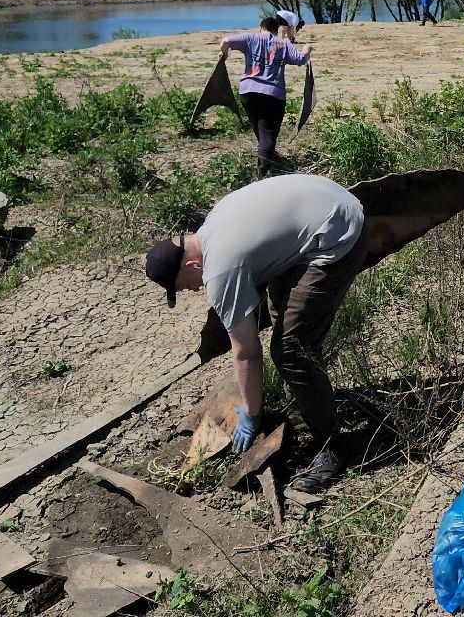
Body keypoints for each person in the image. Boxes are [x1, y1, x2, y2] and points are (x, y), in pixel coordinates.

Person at [143, 174, 368, 493]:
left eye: (186, 285)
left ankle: (331, 446)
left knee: (290, 349)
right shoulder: (214, 222)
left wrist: (251, 413)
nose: (195, 288)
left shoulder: (220, 269)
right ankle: (307, 397)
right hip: (330, 200)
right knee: (283, 314)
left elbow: (247, 351)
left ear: (191, 264)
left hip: (339, 234)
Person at [220, 16, 309, 178]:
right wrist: (307, 50)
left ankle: (270, 160)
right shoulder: (283, 44)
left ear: (261, 28)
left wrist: (224, 55)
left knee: (260, 129)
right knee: (268, 132)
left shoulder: (251, 38)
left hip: (248, 92)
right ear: (276, 31)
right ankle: (263, 173)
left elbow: (225, 41)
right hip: (273, 95)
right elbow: (300, 60)